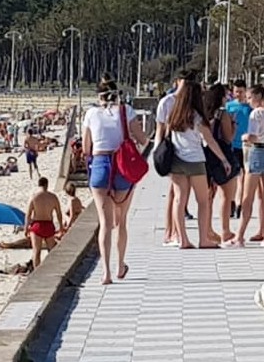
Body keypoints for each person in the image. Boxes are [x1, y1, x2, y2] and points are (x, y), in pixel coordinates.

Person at [82, 81, 149, 284]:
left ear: (99, 96)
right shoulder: (125, 111)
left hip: (101, 164)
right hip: (122, 164)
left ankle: (106, 273)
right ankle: (120, 265)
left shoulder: (91, 114)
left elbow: (86, 147)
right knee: (121, 221)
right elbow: (143, 138)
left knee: (105, 223)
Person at [168, 81, 232, 249]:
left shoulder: (174, 114)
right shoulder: (197, 117)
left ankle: (183, 239)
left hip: (177, 160)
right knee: (203, 201)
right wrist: (224, 159)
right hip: (195, 160)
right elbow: (209, 140)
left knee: (179, 200)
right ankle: (203, 239)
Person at [226, 84, 264, 248]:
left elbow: (253, 136)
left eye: (250, 97)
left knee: (247, 196)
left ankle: (240, 236)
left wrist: (244, 137)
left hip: (257, 152)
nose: (248, 101)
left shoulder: (257, 114)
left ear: (258, 97)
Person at [155, 69, 197, 246]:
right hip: (172, 149)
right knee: (175, 193)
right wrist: (158, 152)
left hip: (187, 150)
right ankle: (169, 232)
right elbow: (160, 129)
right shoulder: (167, 102)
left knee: (178, 193)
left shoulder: (191, 101)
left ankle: (172, 232)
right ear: (178, 81)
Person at [203, 83, 237, 243]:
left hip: (207, 154)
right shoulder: (222, 114)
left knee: (209, 195)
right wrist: (234, 126)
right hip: (222, 153)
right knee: (226, 194)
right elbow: (228, 137)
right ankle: (225, 230)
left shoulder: (205, 113)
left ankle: (207, 229)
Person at [226, 79, 252, 219]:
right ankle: (230, 201)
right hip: (233, 145)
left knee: (243, 176)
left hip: (247, 145)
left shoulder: (250, 107)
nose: (239, 94)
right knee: (232, 177)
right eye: (236, 92)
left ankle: (239, 203)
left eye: (241, 92)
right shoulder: (229, 106)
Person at [24, 177, 62, 270]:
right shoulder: (53, 197)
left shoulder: (34, 197)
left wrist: (26, 228)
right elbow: (59, 213)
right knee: (51, 251)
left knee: (36, 252)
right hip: (49, 225)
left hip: (37, 225)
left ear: (39, 185)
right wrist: (61, 227)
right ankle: (53, 269)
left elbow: (28, 215)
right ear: (47, 185)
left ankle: (36, 271)